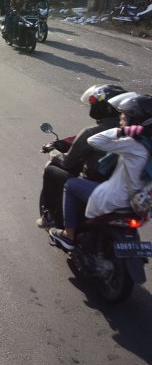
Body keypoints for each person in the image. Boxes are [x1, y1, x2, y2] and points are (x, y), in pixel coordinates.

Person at [50, 95, 152, 251]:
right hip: (140, 205)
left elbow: (94, 141)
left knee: (71, 185)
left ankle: (68, 235)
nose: (121, 119)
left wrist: (121, 131)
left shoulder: (131, 143)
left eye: (124, 116)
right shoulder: (147, 142)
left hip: (115, 199)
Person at [38, 84, 126, 229]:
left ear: (101, 107)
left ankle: (51, 218)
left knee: (51, 170)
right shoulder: (135, 132)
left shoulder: (92, 132)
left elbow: (67, 162)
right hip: (126, 190)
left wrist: (54, 153)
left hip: (98, 185)